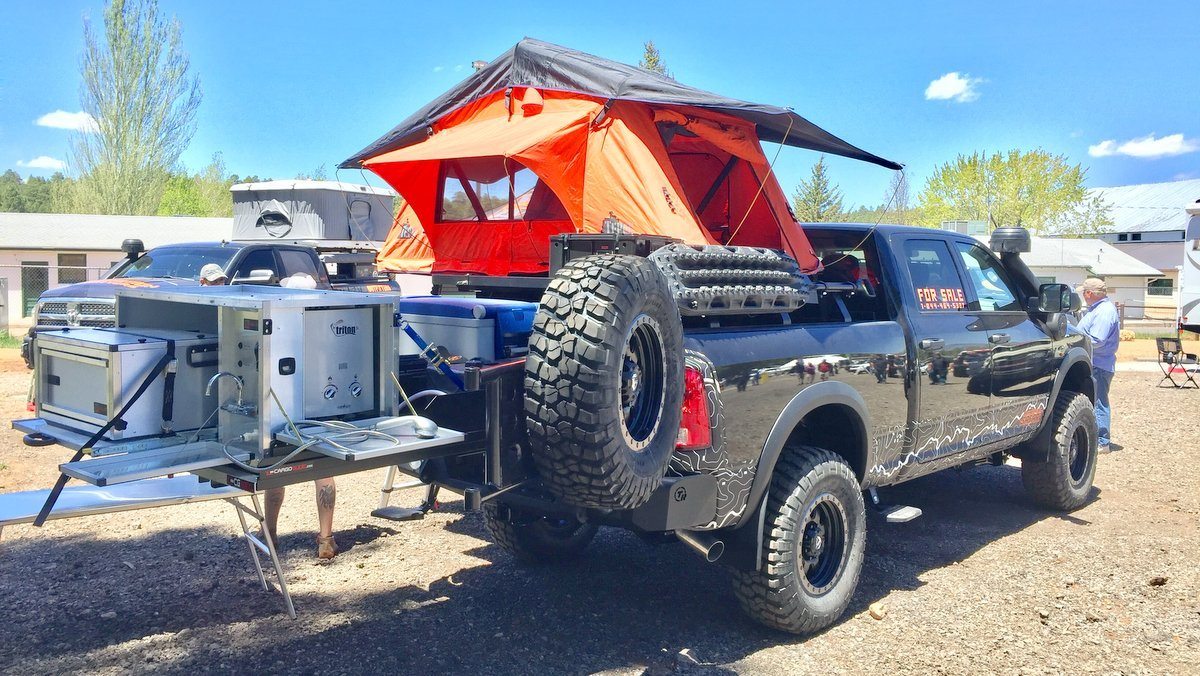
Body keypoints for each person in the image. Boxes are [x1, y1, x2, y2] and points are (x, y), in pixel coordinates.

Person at [265, 270, 338, 558]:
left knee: (275, 473)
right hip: (317, 409)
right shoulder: (324, 325)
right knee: (324, 473)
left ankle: (270, 534)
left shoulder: (276, 324)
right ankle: (325, 539)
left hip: (280, 410)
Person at [1074, 278, 1120, 453]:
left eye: (1084, 293)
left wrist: (1076, 340)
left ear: (1089, 293)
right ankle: (1098, 439)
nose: (1083, 296)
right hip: (1098, 363)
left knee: (1099, 402)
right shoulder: (1100, 309)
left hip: (1099, 364)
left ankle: (1102, 441)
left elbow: (1097, 340)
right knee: (1096, 401)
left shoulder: (1103, 312)